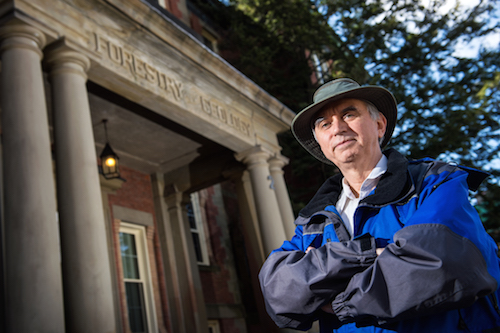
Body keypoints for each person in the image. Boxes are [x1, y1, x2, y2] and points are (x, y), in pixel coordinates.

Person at [258, 78, 500, 332]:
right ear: (320, 141)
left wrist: (336, 299)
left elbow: (441, 266)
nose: (337, 128)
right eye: (325, 124)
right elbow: (279, 291)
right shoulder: (313, 220)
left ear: (379, 124)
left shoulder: (436, 182)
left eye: (349, 114)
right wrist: (369, 255)